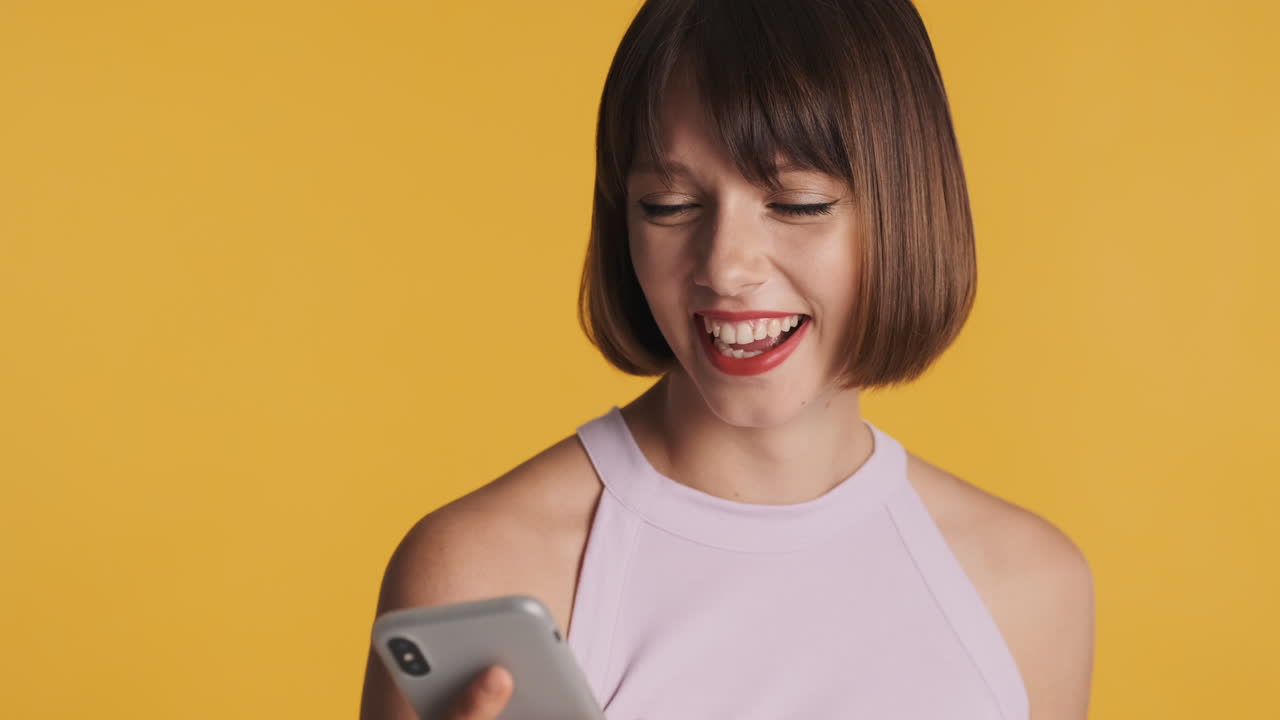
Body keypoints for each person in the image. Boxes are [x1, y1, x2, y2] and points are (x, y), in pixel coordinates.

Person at [360, 0, 1095, 718]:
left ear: (906, 208)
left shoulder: (1030, 591)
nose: (726, 267)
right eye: (670, 206)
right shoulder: (477, 573)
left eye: (798, 204)